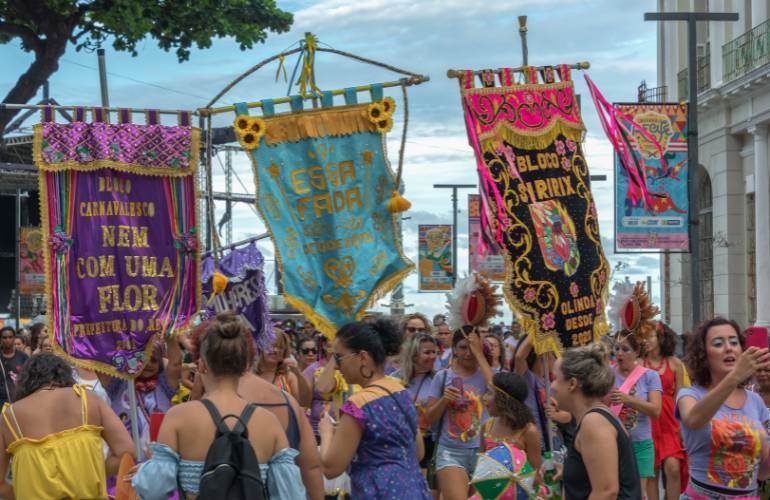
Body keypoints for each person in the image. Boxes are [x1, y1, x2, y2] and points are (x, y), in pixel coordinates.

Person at [131, 313, 305, 499]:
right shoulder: (269, 422)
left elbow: (153, 489)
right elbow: (291, 494)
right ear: (245, 365)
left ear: (202, 365)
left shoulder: (179, 417)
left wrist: (146, 469)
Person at [319, 319, 431, 499]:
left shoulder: (359, 404)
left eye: (339, 358)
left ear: (363, 357)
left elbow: (330, 468)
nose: (337, 366)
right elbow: (418, 452)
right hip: (415, 490)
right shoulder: (401, 392)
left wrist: (326, 433)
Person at [0, 353, 134, 499]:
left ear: (26, 380)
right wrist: (90, 474)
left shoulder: (9, 416)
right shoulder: (88, 399)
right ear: (64, 374)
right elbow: (127, 452)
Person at [677, 317, 770, 498]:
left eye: (734, 342)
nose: (728, 347)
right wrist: (735, 376)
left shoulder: (755, 401)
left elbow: (764, 471)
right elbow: (693, 419)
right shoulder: (690, 395)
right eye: (718, 343)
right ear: (703, 355)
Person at [551, 344, 641, 499]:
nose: (552, 386)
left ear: (572, 384)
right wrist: (569, 471)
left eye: (556, 379)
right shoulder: (594, 417)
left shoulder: (594, 422)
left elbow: (606, 492)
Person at [425, 329, 492, 500]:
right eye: (463, 347)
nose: (468, 353)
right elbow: (429, 418)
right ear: (454, 349)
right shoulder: (442, 376)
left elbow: (496, 389)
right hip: (450, 452)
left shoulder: (485, 374)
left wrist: (479, 353)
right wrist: (444, 400)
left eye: (473, 347)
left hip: (483, 451)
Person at [98, 336, 183, 459]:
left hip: (157, 462)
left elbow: (175, 363)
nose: (148, 364)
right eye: (141, 359)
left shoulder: (164, 386)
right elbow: (100, 362)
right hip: (125, 463)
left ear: (159, 364)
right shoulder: (118, 384)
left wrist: (169, 334)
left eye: (153, 360)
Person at [611, 330, 662, 494]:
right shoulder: (607, 374)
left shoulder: (650, 376)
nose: (619, 353)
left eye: (625, 349)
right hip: (613, 443)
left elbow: (656, 410)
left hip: (641, 444)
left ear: (637, 352)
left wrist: (629, 400)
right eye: (616, 348)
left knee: (638, 494)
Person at [644, 322, 687, 500]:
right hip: (648, 423)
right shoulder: (639, 364)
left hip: (671, 423)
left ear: (661, 338)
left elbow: (681, 398)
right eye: (644, 336)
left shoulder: (675, 363)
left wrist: (683, 427)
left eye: (650, 336)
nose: (646, 339)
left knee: (673, 468)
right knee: (651, 472)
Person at [393, 334, 439, 479]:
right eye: (427, 352)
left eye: (434, 352)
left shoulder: (438, 379)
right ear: (413, 355)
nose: (432, 356)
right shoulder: (395, 380)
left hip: (429, 442)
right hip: (402, 442)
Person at [480, 371, 541, 467]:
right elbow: (481, 466)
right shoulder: (486, 426)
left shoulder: (529, 431)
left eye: (489, 393)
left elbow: (536, 474)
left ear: (503, 399)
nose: (484, 397)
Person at [255, 328, 312, 407]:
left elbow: (305, 403)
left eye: (280, 347)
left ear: (284, 352)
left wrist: (298, 374)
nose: (275, 350)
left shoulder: (288, 376)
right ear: (261, 348)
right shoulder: (250, 374)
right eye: (271, 345)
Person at [0, 327, 28, 406]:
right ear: (0, 340)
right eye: (4, 338)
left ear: (14, 338)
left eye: (10, 337)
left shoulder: (23, 357)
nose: (7, 340)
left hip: (18, 399)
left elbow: (28, 377)